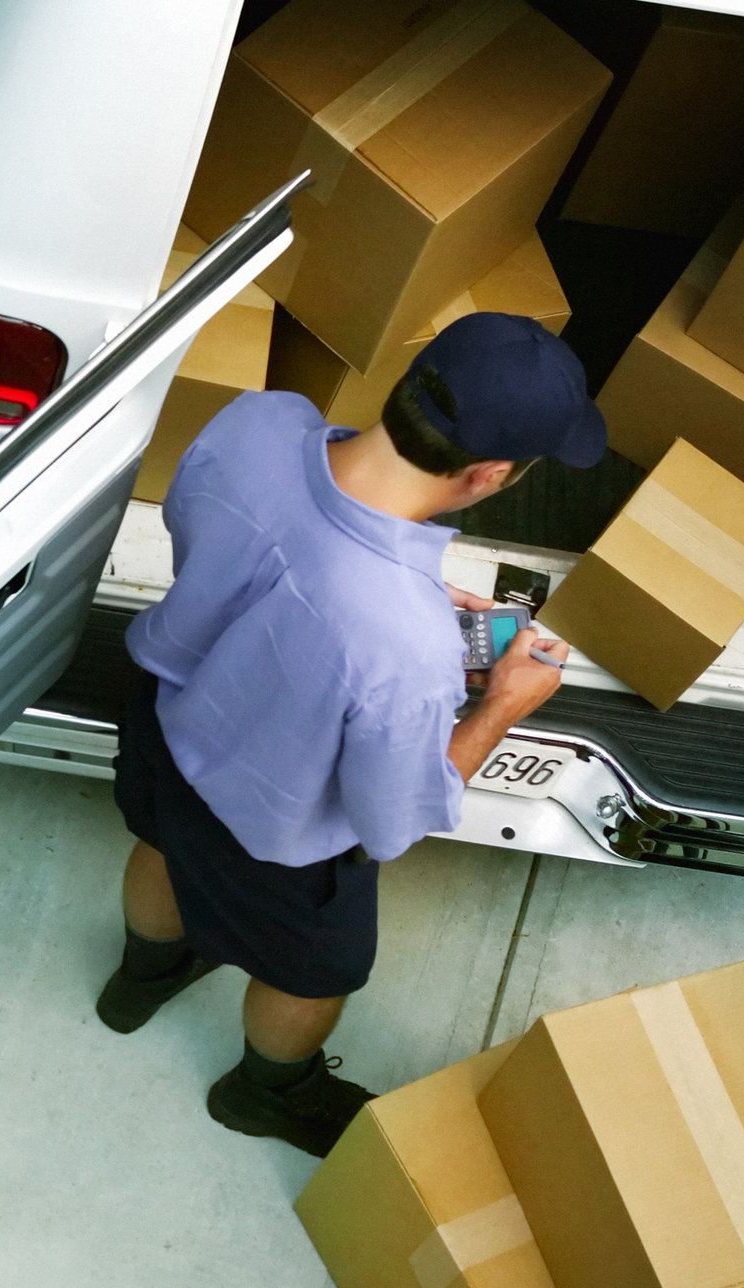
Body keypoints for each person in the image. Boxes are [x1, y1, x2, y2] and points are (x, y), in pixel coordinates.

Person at [95, 312, 602, 1157]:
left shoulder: (257, 420)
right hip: (276, 835)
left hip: (163, 718)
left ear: (410, 383)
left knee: (159, 840)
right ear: (490, 476)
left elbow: (220, 541)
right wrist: (497, 707)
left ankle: (140, 980)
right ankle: (268, 1093)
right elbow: (392, 818)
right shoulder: (406, 647)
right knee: (314, 970)